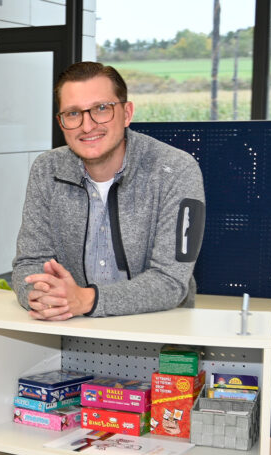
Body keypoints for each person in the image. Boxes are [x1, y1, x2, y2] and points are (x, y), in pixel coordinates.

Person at [12, 61, 206, 320]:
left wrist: (86, 300)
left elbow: (171, 282)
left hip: (161, 332)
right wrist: (39, 295)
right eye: (73, 113)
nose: (87, 125)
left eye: (101, 109)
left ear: (127, 113)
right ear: (61, 123)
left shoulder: (176, 169)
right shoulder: (47, 170)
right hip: (72, 330)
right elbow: (29, 263)